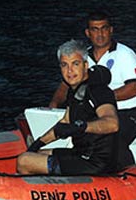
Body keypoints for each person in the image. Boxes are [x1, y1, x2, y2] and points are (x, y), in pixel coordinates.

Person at [49, 12, 136, 166]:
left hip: (129, 114)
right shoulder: (82, 58)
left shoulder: (125, 54)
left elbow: (134, 88)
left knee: (112, 136)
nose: (100, 34)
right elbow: (64, 87)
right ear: (88, 33)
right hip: (94, 114)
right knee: (86, 135)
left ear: (111, 30)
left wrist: (99, 99)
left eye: (104, 28)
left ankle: (127, 174)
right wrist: (53, 107)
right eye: (95, 29)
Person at [17, 40, 120, 175]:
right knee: (37, 153)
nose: (69, 71)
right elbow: (65, 122)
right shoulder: (75, 91)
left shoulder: (98, 91)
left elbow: (112, 124)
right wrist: (38, 143)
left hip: (96, 163)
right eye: (64, 65)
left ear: (85, 65)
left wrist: (80, 126)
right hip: (80, 154)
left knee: (24, 161)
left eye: (75, 64)